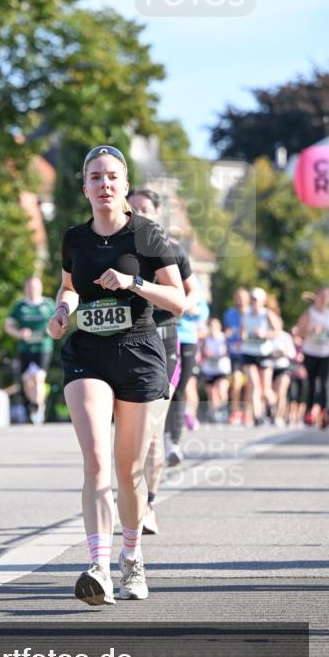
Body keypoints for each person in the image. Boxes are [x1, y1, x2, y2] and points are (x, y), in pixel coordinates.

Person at [46, 145, 184, 605]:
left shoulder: (147, 235)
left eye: (112, 177)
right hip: (87, 353)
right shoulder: (74, 239)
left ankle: (132, 558)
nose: (104, 185)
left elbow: (179, 301)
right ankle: (98, 566)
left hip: (140, 353)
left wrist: (133, 283)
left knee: (129, 472)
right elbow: (69, 288)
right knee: (96, 462)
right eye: (95, 177)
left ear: (125, 187)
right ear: (84, 187)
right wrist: (62, 310)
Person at [126, 188, 200, 536]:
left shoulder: (173, 251)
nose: (140, 212)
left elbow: (191, 289)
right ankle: (129, 494)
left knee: (153, 432)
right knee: (129, 434)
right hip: (125, 341)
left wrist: (187, 304)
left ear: (157, 214)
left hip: (163, 339)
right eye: (135, 207)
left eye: (146, 208)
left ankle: (149, 502)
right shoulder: (117, 246)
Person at [165, 281, 209, 465]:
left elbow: (204, 311)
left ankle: (173, 442)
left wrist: (193, 310)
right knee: (164, 390)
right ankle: (158, 438)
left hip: (187, 339)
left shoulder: (192, 281)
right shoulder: (160, 273)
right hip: (165, 336)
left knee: (181, 389)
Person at [4, 277, 56, 424]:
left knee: (39, 377)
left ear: (40, 288)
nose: (32, 289)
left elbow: (58, 321)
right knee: (28, 381)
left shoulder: (48, 304)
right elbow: (8, 326)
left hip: (43, 347)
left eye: (35, 287)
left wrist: (51, 329)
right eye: (30, 287)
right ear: (25, 288)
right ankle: (33, 405)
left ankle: (38, 406)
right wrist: (19, 333)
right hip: (25, 348)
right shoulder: (20, 306)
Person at [241, 287, 280, 426]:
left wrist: (264, 334)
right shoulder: (245, 313)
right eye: (252, 299)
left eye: (256, 299)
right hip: (249, 352)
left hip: (264, 353)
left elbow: (277, 332)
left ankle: (272, 406)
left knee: (265, 389)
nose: (253, 301)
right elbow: (243, 331)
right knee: (254, 384)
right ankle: (257, 416)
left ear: (263, 301)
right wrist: (245, 337)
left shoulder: (267, 314)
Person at [295, 286, 329, 428]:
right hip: (311, 353)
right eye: (321, 296)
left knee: (325, 383)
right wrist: (310, 331)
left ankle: (324, 411)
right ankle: (309, 412)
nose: (323, 299)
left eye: (326, 297)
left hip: (326, 353)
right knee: (311, 383)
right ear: (316, 297)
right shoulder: (309, 313)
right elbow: (299, 332)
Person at [223, 287, 250, 425]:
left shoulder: (251, 313)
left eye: (242, 297)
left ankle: (247, 412)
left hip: (249, 352)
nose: (240, 300)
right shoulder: (229, 313)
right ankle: (235, 410)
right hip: (234, 353)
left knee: (250, 384)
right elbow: (227, 331)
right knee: (237, 382)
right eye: (237, 297)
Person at [199, 318, 232, 422]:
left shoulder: (224, 338)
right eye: (210, 326)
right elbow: (201, 353)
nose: (212, 328)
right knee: (212, 393)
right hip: (209, 369)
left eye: (214, 326)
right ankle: (216, 413)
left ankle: (223, 408)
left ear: (219, 327)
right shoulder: (206, 339)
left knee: (221, 390)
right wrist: (205, 353)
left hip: (222, 369)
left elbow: (229, 351)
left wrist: (219, 354)